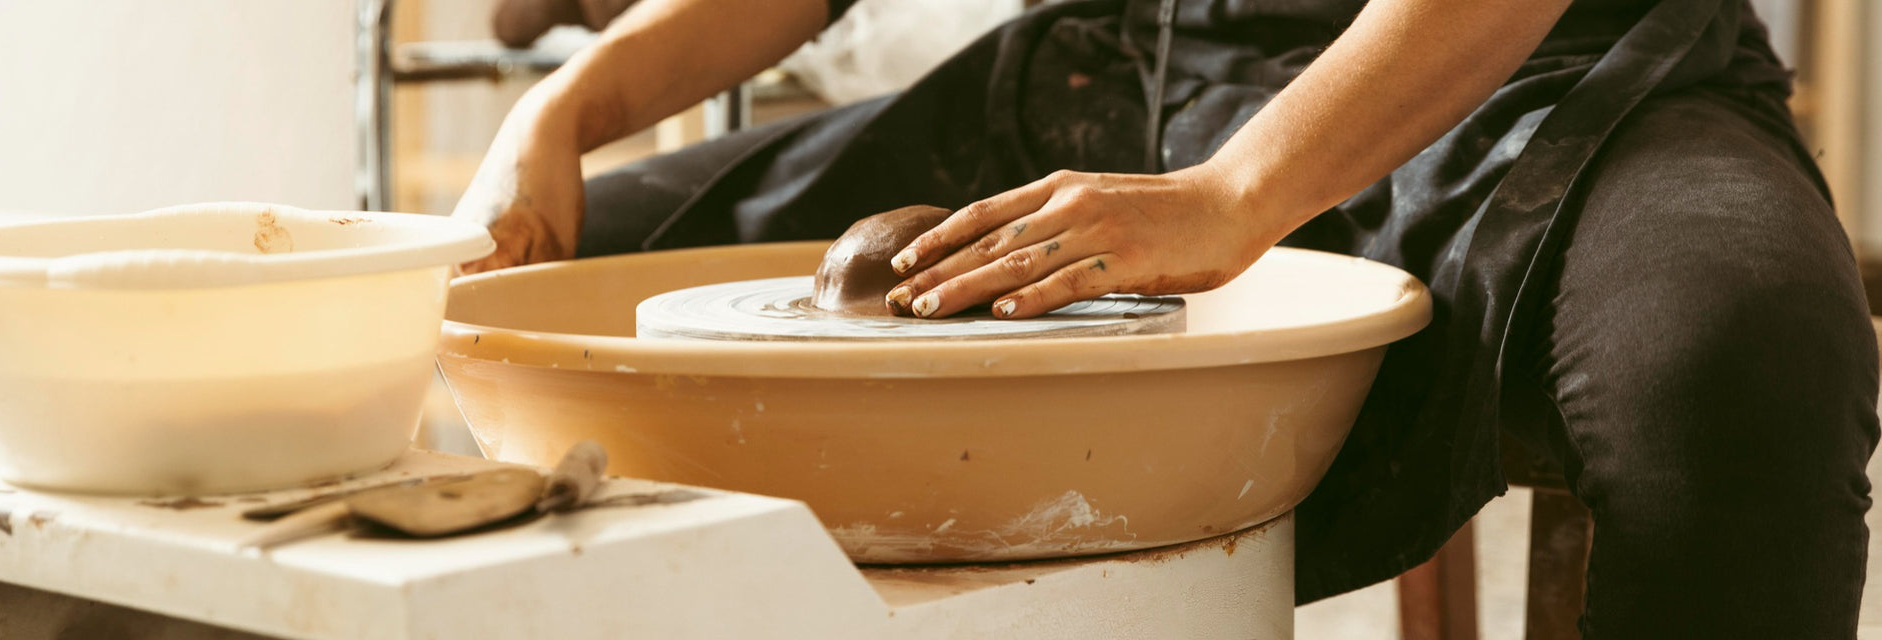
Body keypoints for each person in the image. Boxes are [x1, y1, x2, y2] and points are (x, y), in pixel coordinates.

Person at [452, 0, 1880, 635]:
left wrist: (1239, 194)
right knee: (476, 308)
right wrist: (570, 104)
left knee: (1738, 362)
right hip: (1141, 67)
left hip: (1547, 66)